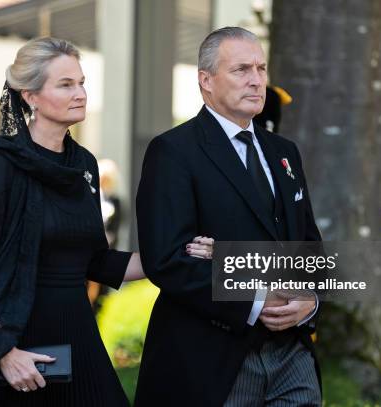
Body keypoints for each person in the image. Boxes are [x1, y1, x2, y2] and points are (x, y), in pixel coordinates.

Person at [0, 37, 213, 407]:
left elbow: (95, 259)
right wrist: (4, 351)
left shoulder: (84, 165)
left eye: (81, 82)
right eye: (65, 84)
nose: (80, 92)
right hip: (14, 340)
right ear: (30, 96)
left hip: (77, 335)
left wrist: (175, 255)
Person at [135, 27, 322, 406]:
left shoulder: (285, 151)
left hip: (293, 354)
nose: (256, 81)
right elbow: (166, 260)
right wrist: (255, 297)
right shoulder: (172, 152)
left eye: (261, 68)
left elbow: (309, 246)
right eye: (241, 70)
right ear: (206, 80)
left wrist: (311, 299)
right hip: (214, 356)